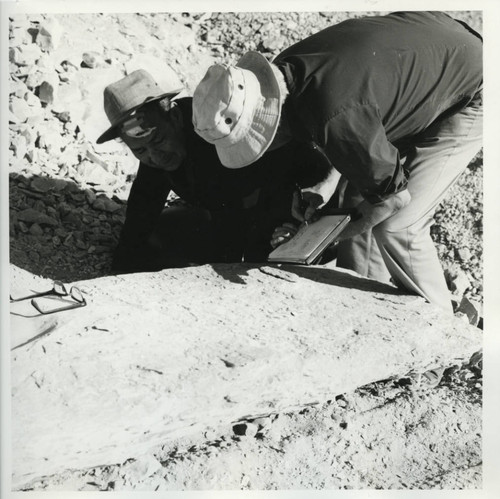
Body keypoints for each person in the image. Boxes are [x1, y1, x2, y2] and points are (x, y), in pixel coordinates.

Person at [191, 11, 483, 313]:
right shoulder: (285, 76)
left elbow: (393, 198)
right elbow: (349, 122)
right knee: (360, 200)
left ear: (270, 122)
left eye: (257, 142)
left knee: (398, 225)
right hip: (436, 49)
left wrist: (321, 239)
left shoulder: (334, 114)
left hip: (474, 80)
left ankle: (443, 340)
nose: (264, 150)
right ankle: (368, 313)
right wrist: (327, 183)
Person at [96, 69, 321, 273]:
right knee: (160, 234)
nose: (155, 156)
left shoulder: (215, 126)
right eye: (140, 151)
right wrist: (119, 271)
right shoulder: (154, 147)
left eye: (159, 141)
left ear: (174, 117)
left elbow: (279, 173)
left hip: (289, 197)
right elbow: (142, 209)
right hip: (225, 208)